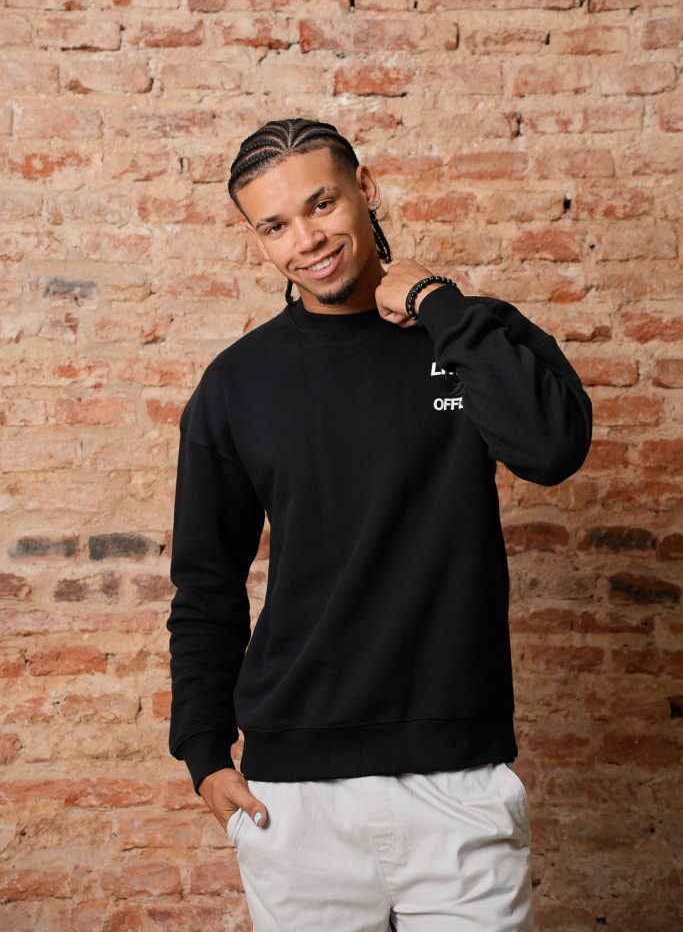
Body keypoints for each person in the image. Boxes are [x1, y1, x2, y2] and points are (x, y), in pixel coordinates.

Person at [166, 118, 592, 931]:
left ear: (365, 189)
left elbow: (552, 449)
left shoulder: (470, 333)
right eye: (274, 226)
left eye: (320, 204)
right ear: (256, 242)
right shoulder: (237, 385)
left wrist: (438, 305)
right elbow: (206, 583)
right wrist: (202, 751)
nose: (306, 240)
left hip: (458, 782)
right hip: (295, 799)